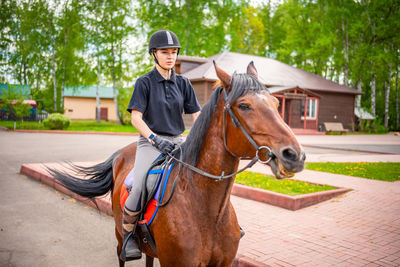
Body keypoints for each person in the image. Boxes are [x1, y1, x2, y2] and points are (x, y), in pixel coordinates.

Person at [120, 29, 201, 261]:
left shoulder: (184, 83)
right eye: (165, 52)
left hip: (178, 142)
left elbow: (197, 115)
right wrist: (154, 138)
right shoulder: (144, 83)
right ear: (154, 54)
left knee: (203, 176)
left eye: (174, 52)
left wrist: (198, 137)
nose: (170, 56)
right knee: (140, 184)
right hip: (150, 142)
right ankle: (129, 236)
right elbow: (136, 118)